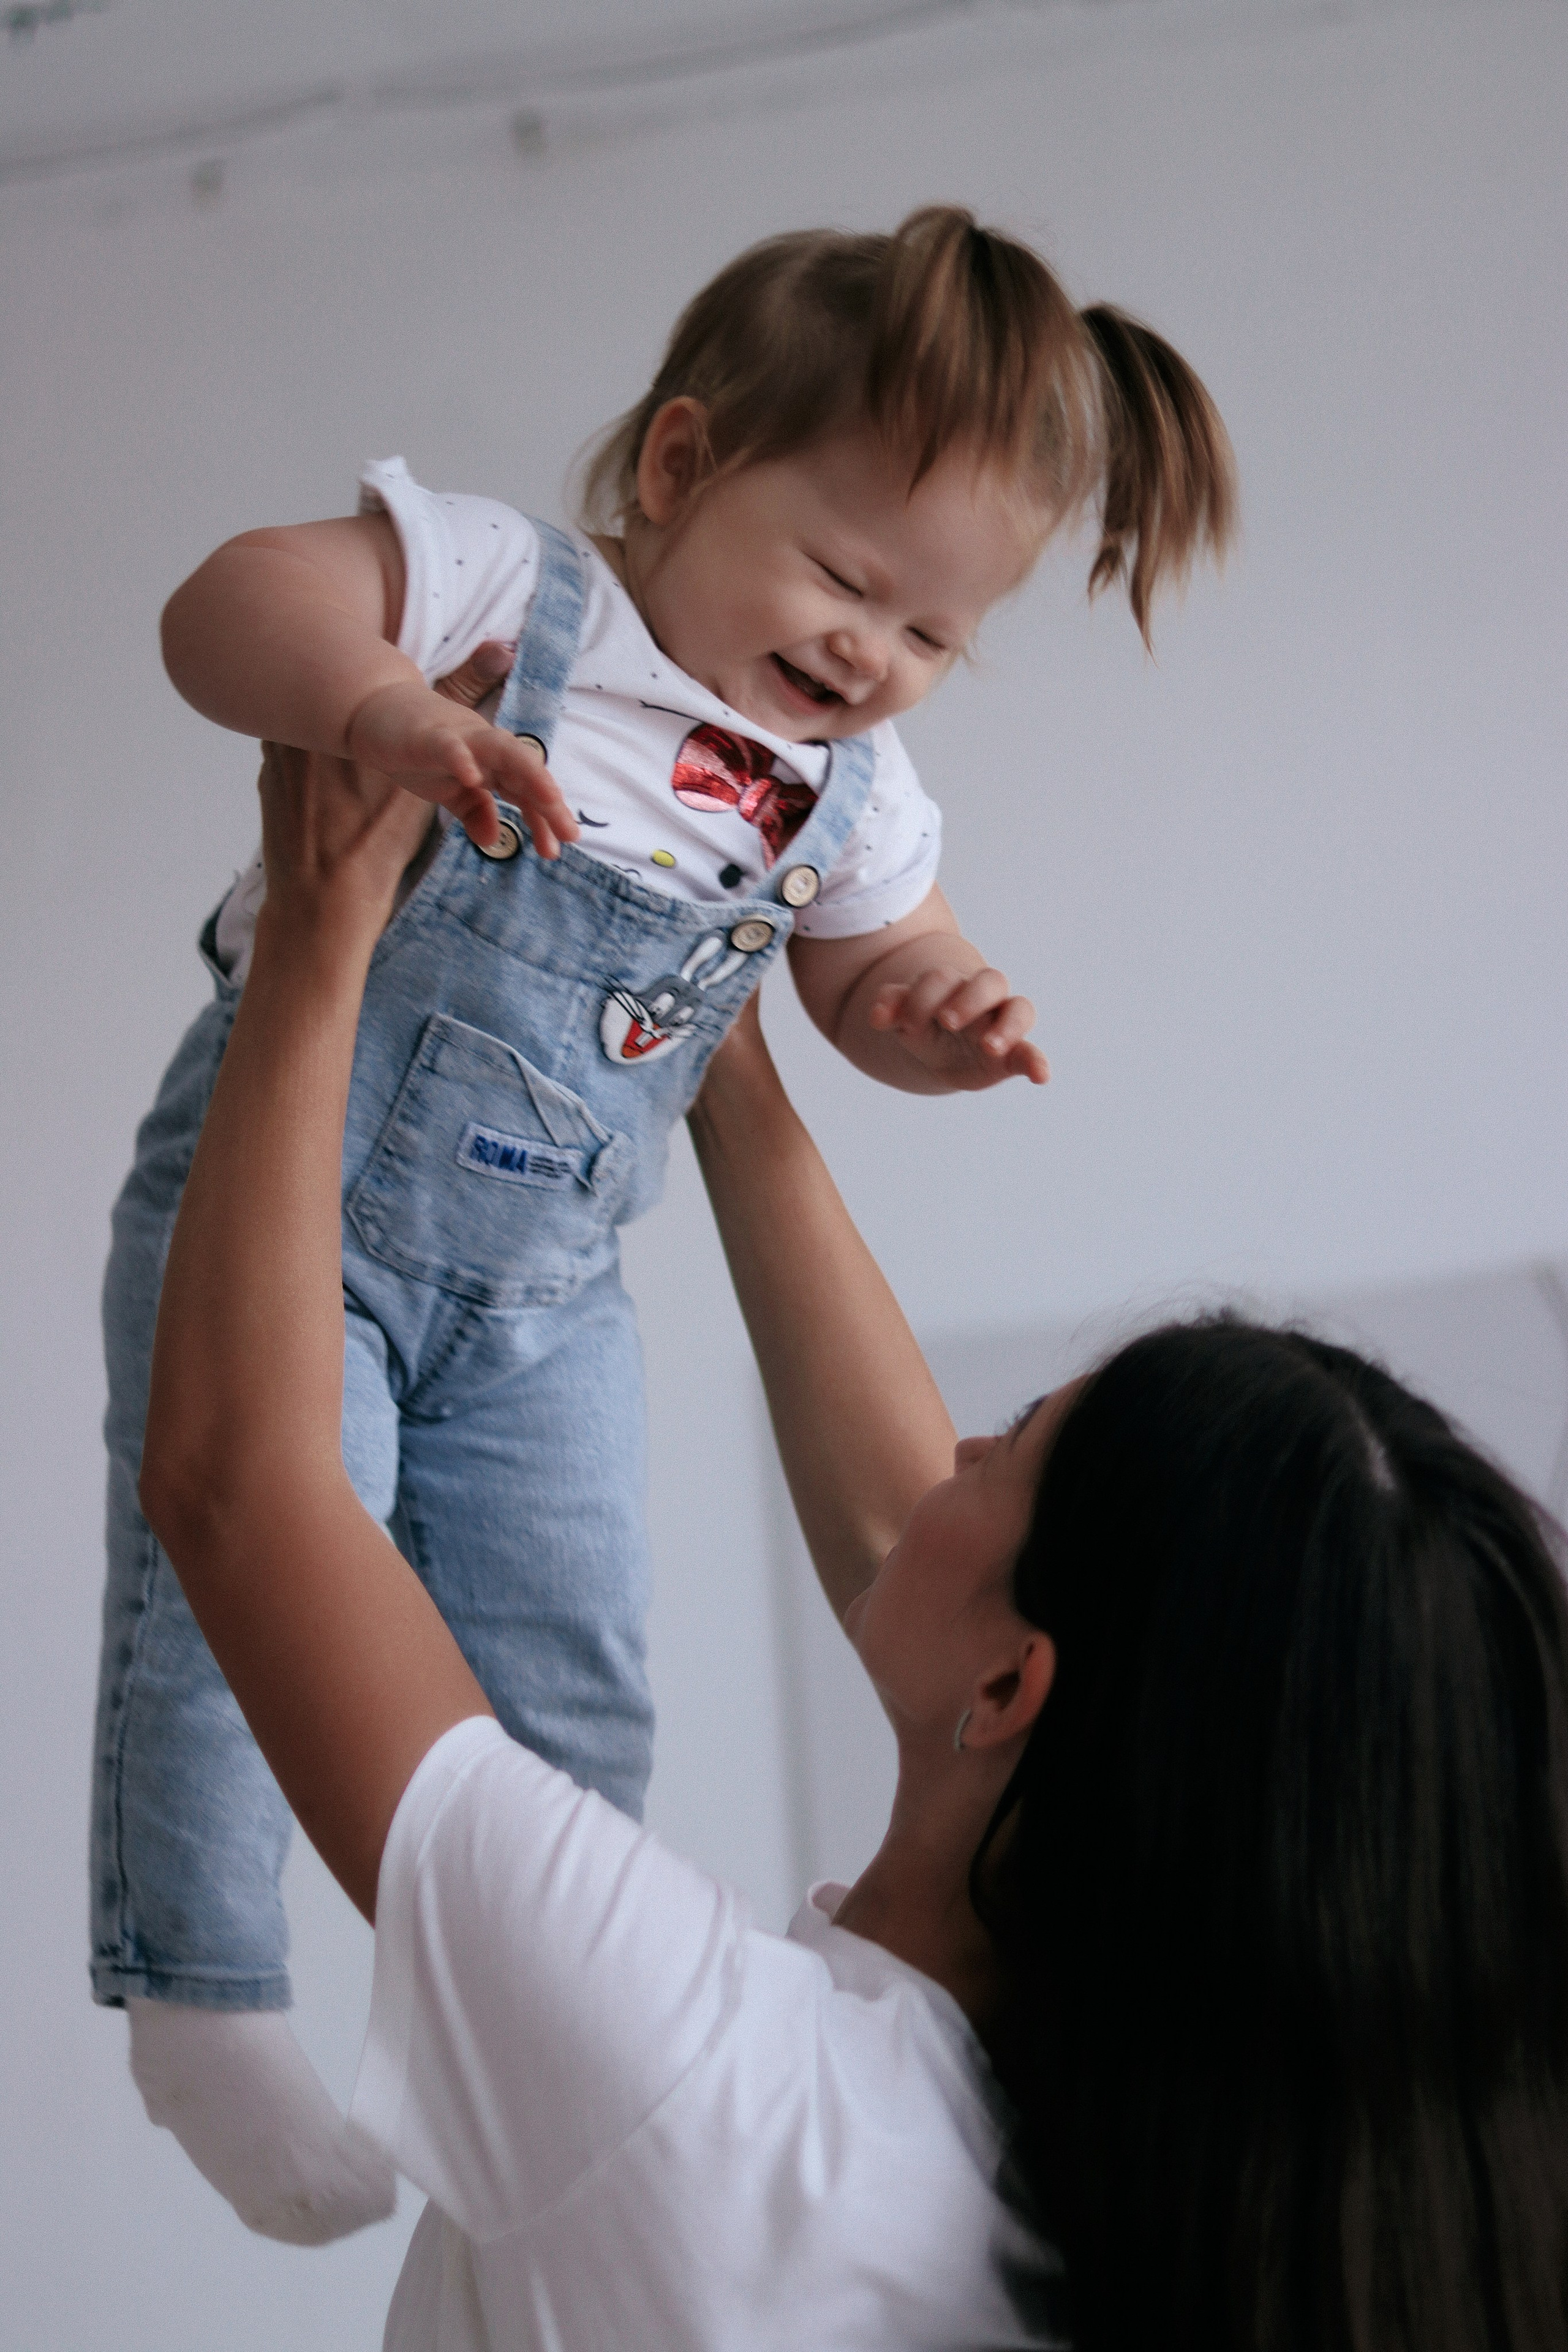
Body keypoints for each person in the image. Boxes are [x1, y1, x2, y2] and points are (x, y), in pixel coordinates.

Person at [94, 203, 1237, 2239]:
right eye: (844, 576)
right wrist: (378, 710)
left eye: (933, 638)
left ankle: (514, 2035)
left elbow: (862, 972)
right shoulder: (512, 591)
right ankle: (204, 1998)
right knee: (242, 1582)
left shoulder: (846, 792)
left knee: (579, 1662)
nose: (870, 658)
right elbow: (219, 610)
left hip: (548, 1287)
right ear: (687, 462)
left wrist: (933, 1011)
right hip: (306, 1214)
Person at [141, 741, 1568, 2352]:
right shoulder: (1154, 2203)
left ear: (1018, 1687)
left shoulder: (703, 2085)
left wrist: (323, 910)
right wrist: (716, 1013)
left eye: (1012, 1437)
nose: (955, 1444)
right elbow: (919, 1543)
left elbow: (241, 1485)